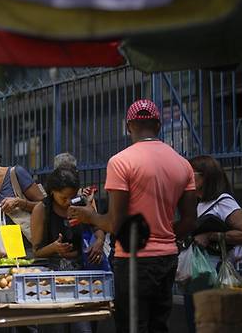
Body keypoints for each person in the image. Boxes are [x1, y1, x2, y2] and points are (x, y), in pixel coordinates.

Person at [68, 99, 197, 333]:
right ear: (158, 125)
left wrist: (89, 216)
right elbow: (189, 221)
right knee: (159, 326)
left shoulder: (120, 162)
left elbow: (114, 223)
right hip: (167, 259)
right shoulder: (183, 165)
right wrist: (162, 236)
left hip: (133, 261)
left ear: (128, 127)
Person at [183, 155, 242, 333]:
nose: (187, 179)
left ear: (205, 177)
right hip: (195, 275)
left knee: (211, 323)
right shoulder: (199, 203)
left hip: (213, 275)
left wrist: (211, 235)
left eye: (191, 174)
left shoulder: (224, 202)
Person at [31, 167, 104, 333]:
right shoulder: (42, 210)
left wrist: (99, 241)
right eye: (63, 197)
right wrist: (54, 248)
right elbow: (37, 250)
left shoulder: (81, 203)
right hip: (52, 282)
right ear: (52, 192)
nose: (68, 201)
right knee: (55, 327)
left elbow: (98, 226)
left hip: (83, 277)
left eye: (72, 196)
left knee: (83, 328)